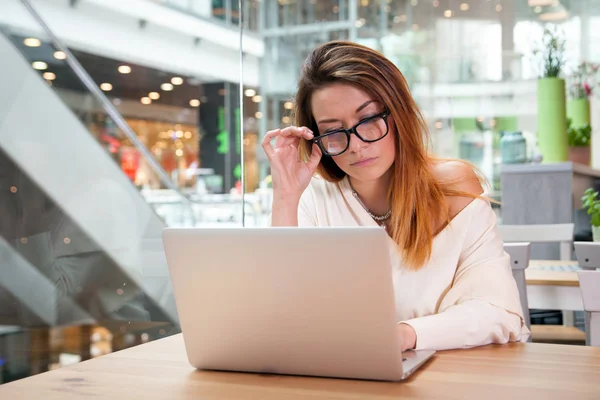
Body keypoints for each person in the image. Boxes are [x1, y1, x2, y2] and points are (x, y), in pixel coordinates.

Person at [261, 41, 530, 351]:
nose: (356, 146)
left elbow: (500, 313)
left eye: (368, 120)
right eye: (334, 131)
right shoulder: (314, 199)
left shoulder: (454, 189)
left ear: (398, 113)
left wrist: (405, 335)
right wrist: (285, 195)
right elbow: (281, 316)